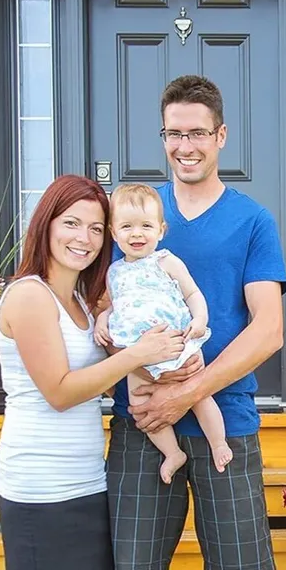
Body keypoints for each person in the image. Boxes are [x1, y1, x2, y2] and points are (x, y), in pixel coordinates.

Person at [80, 75, 286, 570]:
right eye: (174, 132)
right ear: (162, 137)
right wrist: (106, 330)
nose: (185, 144)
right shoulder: (135, 215)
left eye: (198, 132)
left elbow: (269, 330)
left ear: (221, 136)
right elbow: (102, 301)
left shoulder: (252, 221)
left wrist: (191, 392)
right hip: (141, 422)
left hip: (223, 420)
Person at [0, 175, 187, 570]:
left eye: (95, 227)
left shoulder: (82, 301)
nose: (84, 237)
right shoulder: (28, 297)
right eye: (71, 223)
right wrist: (136, 355)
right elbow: (59, 391)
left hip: (83, 477)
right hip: (35, 481)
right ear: (46, 224)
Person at [96, 183, 233, 484]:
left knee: (199, 394)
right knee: (139, 404)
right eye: (127, 226)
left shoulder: (166, 261)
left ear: (160, 230)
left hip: (177, 343)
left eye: (146, 226)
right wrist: (102, 320)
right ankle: (172, 453)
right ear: (113, 232)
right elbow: (114, 306)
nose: (136, 234)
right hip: (138, 357)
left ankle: (218, 441)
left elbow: (193, 293)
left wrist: (199, 319)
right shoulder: (114, 271)